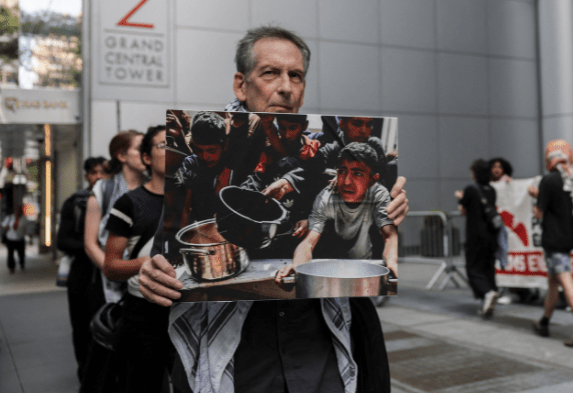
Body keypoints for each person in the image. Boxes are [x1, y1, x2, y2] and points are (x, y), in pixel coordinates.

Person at [138, 25, 408, 393]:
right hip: (242, 359)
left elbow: (355, 234)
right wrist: (152, 278)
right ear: (241, 84)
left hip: (319, 351)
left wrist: (386, 213)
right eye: (270, 73)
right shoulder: (214, 154)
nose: (285, 86)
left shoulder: (321, 151)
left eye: (295, 75)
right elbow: (166, 260)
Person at [103, 126, 170, 393]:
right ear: (146, 159)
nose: (173, 150)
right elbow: (111, 266)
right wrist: (146, 264)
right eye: (164, 145)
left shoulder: (197, 200)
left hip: (190, 310)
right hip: (144, 314)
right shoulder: (129, 203)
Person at [276, 142, 398, 282]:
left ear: (372, 180)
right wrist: (296, 266)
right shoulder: (326, 196)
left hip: (365, 270)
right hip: (331, 270)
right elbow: (308, 242)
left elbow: (389, 235)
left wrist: (393, 263)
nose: (346, 182)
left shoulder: (379, 195)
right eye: (342, 171)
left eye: (357, 174)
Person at [81, 129, 146, 393]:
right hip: (111, 287)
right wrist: (115, 270)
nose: (145, 154)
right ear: (121, 155)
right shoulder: (104, 188)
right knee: (108, 359)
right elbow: (90, 242)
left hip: (146, 285)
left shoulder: (156, 186)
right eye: (138, 148)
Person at [530, 140, 573, 347]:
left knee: (566, 283)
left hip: (554, 239)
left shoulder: (548, 181)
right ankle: (544, 322)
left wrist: (536, 198)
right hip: (568, 237)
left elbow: (539, 213)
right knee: (553, 284)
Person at [56, 156, 108, 384]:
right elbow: (62, 241)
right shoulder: (75, 203)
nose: (98, 177)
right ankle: (86, 375)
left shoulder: (116, 200)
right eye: (93, 173)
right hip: (82, 275)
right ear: (87, 176)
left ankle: (105, 377)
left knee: (107, 324)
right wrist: (92, 245)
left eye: (102, 172)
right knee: (81, 327)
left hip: (108, 277)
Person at [456, 159, 502, 318]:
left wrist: (460, 198)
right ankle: (489, 296)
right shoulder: (492, 190)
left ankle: (487, 293)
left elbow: (463, 210)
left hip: (475, 235)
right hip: (491, 235)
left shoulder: (470, 189)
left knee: (473, 268)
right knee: (488, 268)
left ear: (475, 173)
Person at [3, 204, 28, 274]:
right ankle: (11, 267)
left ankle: (22, 265)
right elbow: (4, 225)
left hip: (20, 239)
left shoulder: (24, 218)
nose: (18, 212)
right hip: (10, 239)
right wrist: (6, 227)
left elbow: (26, 228)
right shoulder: (10, 217)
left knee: (21, 254)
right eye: (17, 211)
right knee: (10, 254)